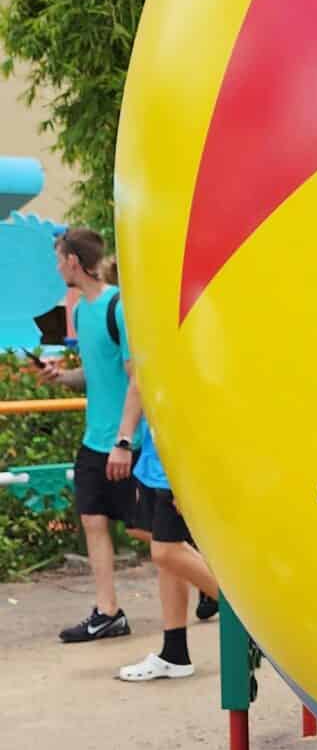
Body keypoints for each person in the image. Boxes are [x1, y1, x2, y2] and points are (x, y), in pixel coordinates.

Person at [54, 228, 136, 645]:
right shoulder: (83, 312)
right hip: (94, 440)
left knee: (151, 534)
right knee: (92, 519)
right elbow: (95, 371)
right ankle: (108, 612)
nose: (57, 266)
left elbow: (134, 376)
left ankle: (220, 597)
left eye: (59, 258)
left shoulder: (116, 307)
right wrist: (61, 376)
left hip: (126, 441)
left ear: (72, 261)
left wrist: (124, 440)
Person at [114, 404, 222, 683]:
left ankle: (256, 622)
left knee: (166, 551)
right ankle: (174, 654)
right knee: (166, 559)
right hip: (157, 457)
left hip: (176, 462)